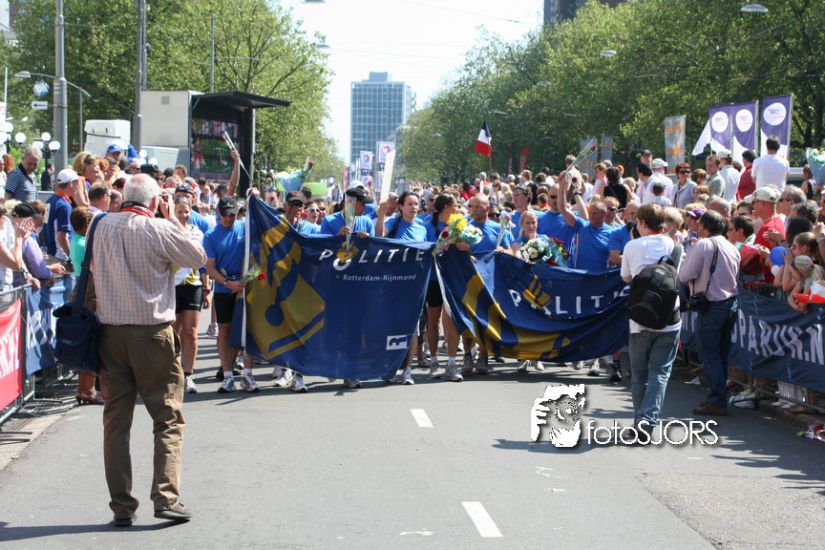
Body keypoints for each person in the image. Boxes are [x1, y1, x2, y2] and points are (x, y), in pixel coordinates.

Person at [92, 173, 206, 527]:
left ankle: (122, 506)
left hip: (110, 334)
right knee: (167, 417)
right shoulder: (158, 227)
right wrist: (173, 219)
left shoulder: (100, 225)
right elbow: (197, 256)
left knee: (115, 423)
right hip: (152, 333)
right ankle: (166, 497)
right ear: (155, 201)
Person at [620, 204, 680, 433]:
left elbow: (626, 277)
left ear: (642, 223)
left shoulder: (632, 245)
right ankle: (646, 421)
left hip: (640, 318)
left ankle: (640, 422)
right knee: (659, 372)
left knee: (639, 374)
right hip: (669, 318)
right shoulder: (674, 245)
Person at [679, 211, 740, 416]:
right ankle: (718, 397)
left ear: (704, 227)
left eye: (699, 225)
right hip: (730, 304)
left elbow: (685, 274)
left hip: (712, 304)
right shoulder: (731, 246)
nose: (697, 227)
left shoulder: (703, 244)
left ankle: (717, 400)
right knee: (720, 353)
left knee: (708, 353)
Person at [203, 196, 259, 393]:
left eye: (233, 215)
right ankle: (227, 375)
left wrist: (247, 280)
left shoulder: (246, 228)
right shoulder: (210, 235)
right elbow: (210, 268)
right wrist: (228, 283)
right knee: (225, 331)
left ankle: (248, 374)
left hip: (246, 287)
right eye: (226, 215)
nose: (229, 218)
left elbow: (259, 258)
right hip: (223, 288)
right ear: (219, 213)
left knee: (247, 330)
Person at [376, 191, 427, 385]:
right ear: (401, 206)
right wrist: (382, 214)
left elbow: (430, 250)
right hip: (392, 282)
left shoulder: (422, 228)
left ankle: (407, 370)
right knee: (390, 325)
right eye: (410, 204)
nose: (414, 207)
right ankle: (388, 366)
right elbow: (379, 237)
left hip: (414, 283)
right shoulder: (392, 223)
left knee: (412, 326)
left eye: (416, 204)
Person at [424, 194, 466, 382]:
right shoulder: (427, 225)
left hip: (452, 278)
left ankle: (451, 363)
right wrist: (440, 245)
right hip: (433, 278)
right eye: (456, 205)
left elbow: (466, 246)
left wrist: (455, 240)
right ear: (447, 206)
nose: (458, 208)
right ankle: (434, 362)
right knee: (433, 321)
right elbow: (426, 249)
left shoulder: (458, 223)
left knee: (452, 320)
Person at [171, 198, 208, 395]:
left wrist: (207, 288)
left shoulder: (197, 232)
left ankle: (188, 375)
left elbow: (201, 261)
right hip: (173, 285)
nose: (184, 216)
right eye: (180, 212)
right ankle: (172, 373)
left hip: (193, 285)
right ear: (173, 212)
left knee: (191, 332)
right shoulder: (168, 229)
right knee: (173, 333)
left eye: (186, 212)